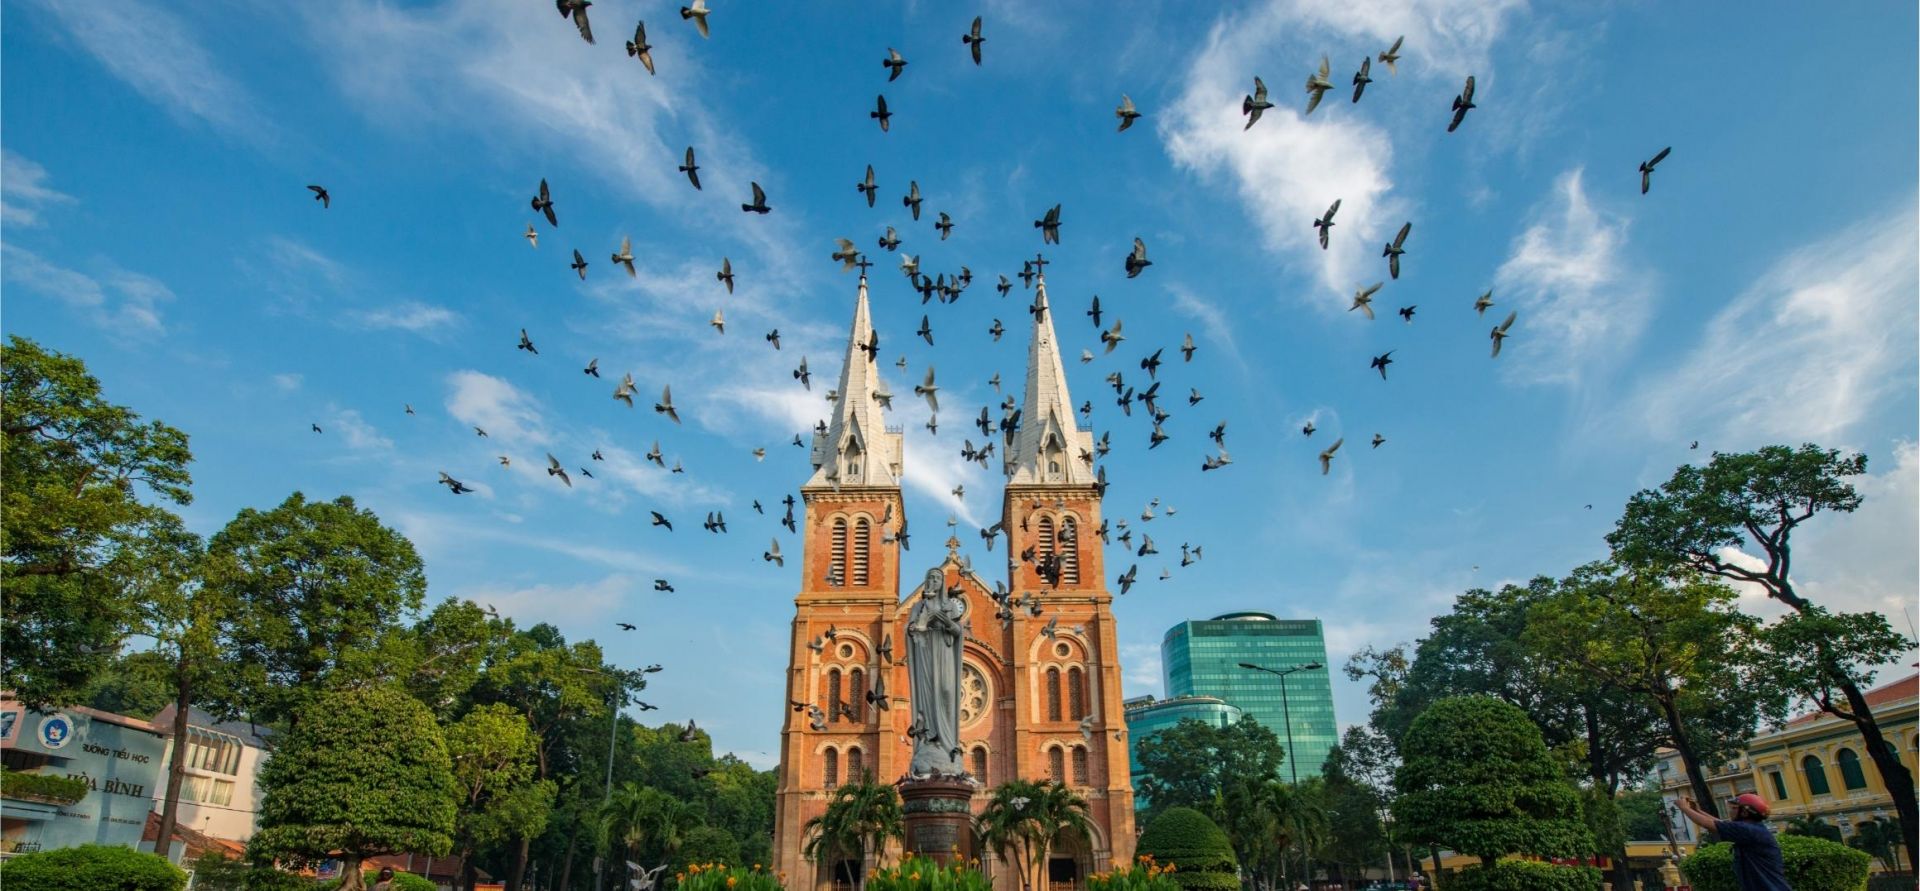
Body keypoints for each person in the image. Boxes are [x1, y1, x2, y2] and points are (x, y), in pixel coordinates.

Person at [1673, 794, 1790, 890]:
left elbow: (1708, 824)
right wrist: (1696, 810)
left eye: (1734, 808)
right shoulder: (1752, 828)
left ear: (1745, 812)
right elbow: (1721, 824)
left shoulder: (1748, 830)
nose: (1730, 811)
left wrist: (1684, 808)